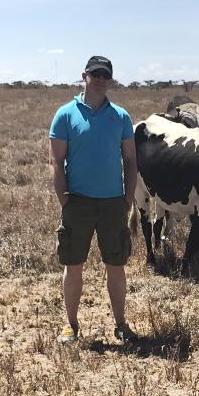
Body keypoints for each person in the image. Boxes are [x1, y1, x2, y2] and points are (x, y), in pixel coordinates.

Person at [49, 56, 138, 343]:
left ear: (110, 80)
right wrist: (64, 200)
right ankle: (71, 325)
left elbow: (130, 161)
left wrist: (127, 199)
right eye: (95, 74)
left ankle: (121, 324)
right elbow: (56, 161)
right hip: (78, 202)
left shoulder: (120, 117)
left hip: (113, 203)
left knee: (116, 265)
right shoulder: (65, 114)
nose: (100, 79)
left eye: (105, 75)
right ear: (84, 76)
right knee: (73, 265)